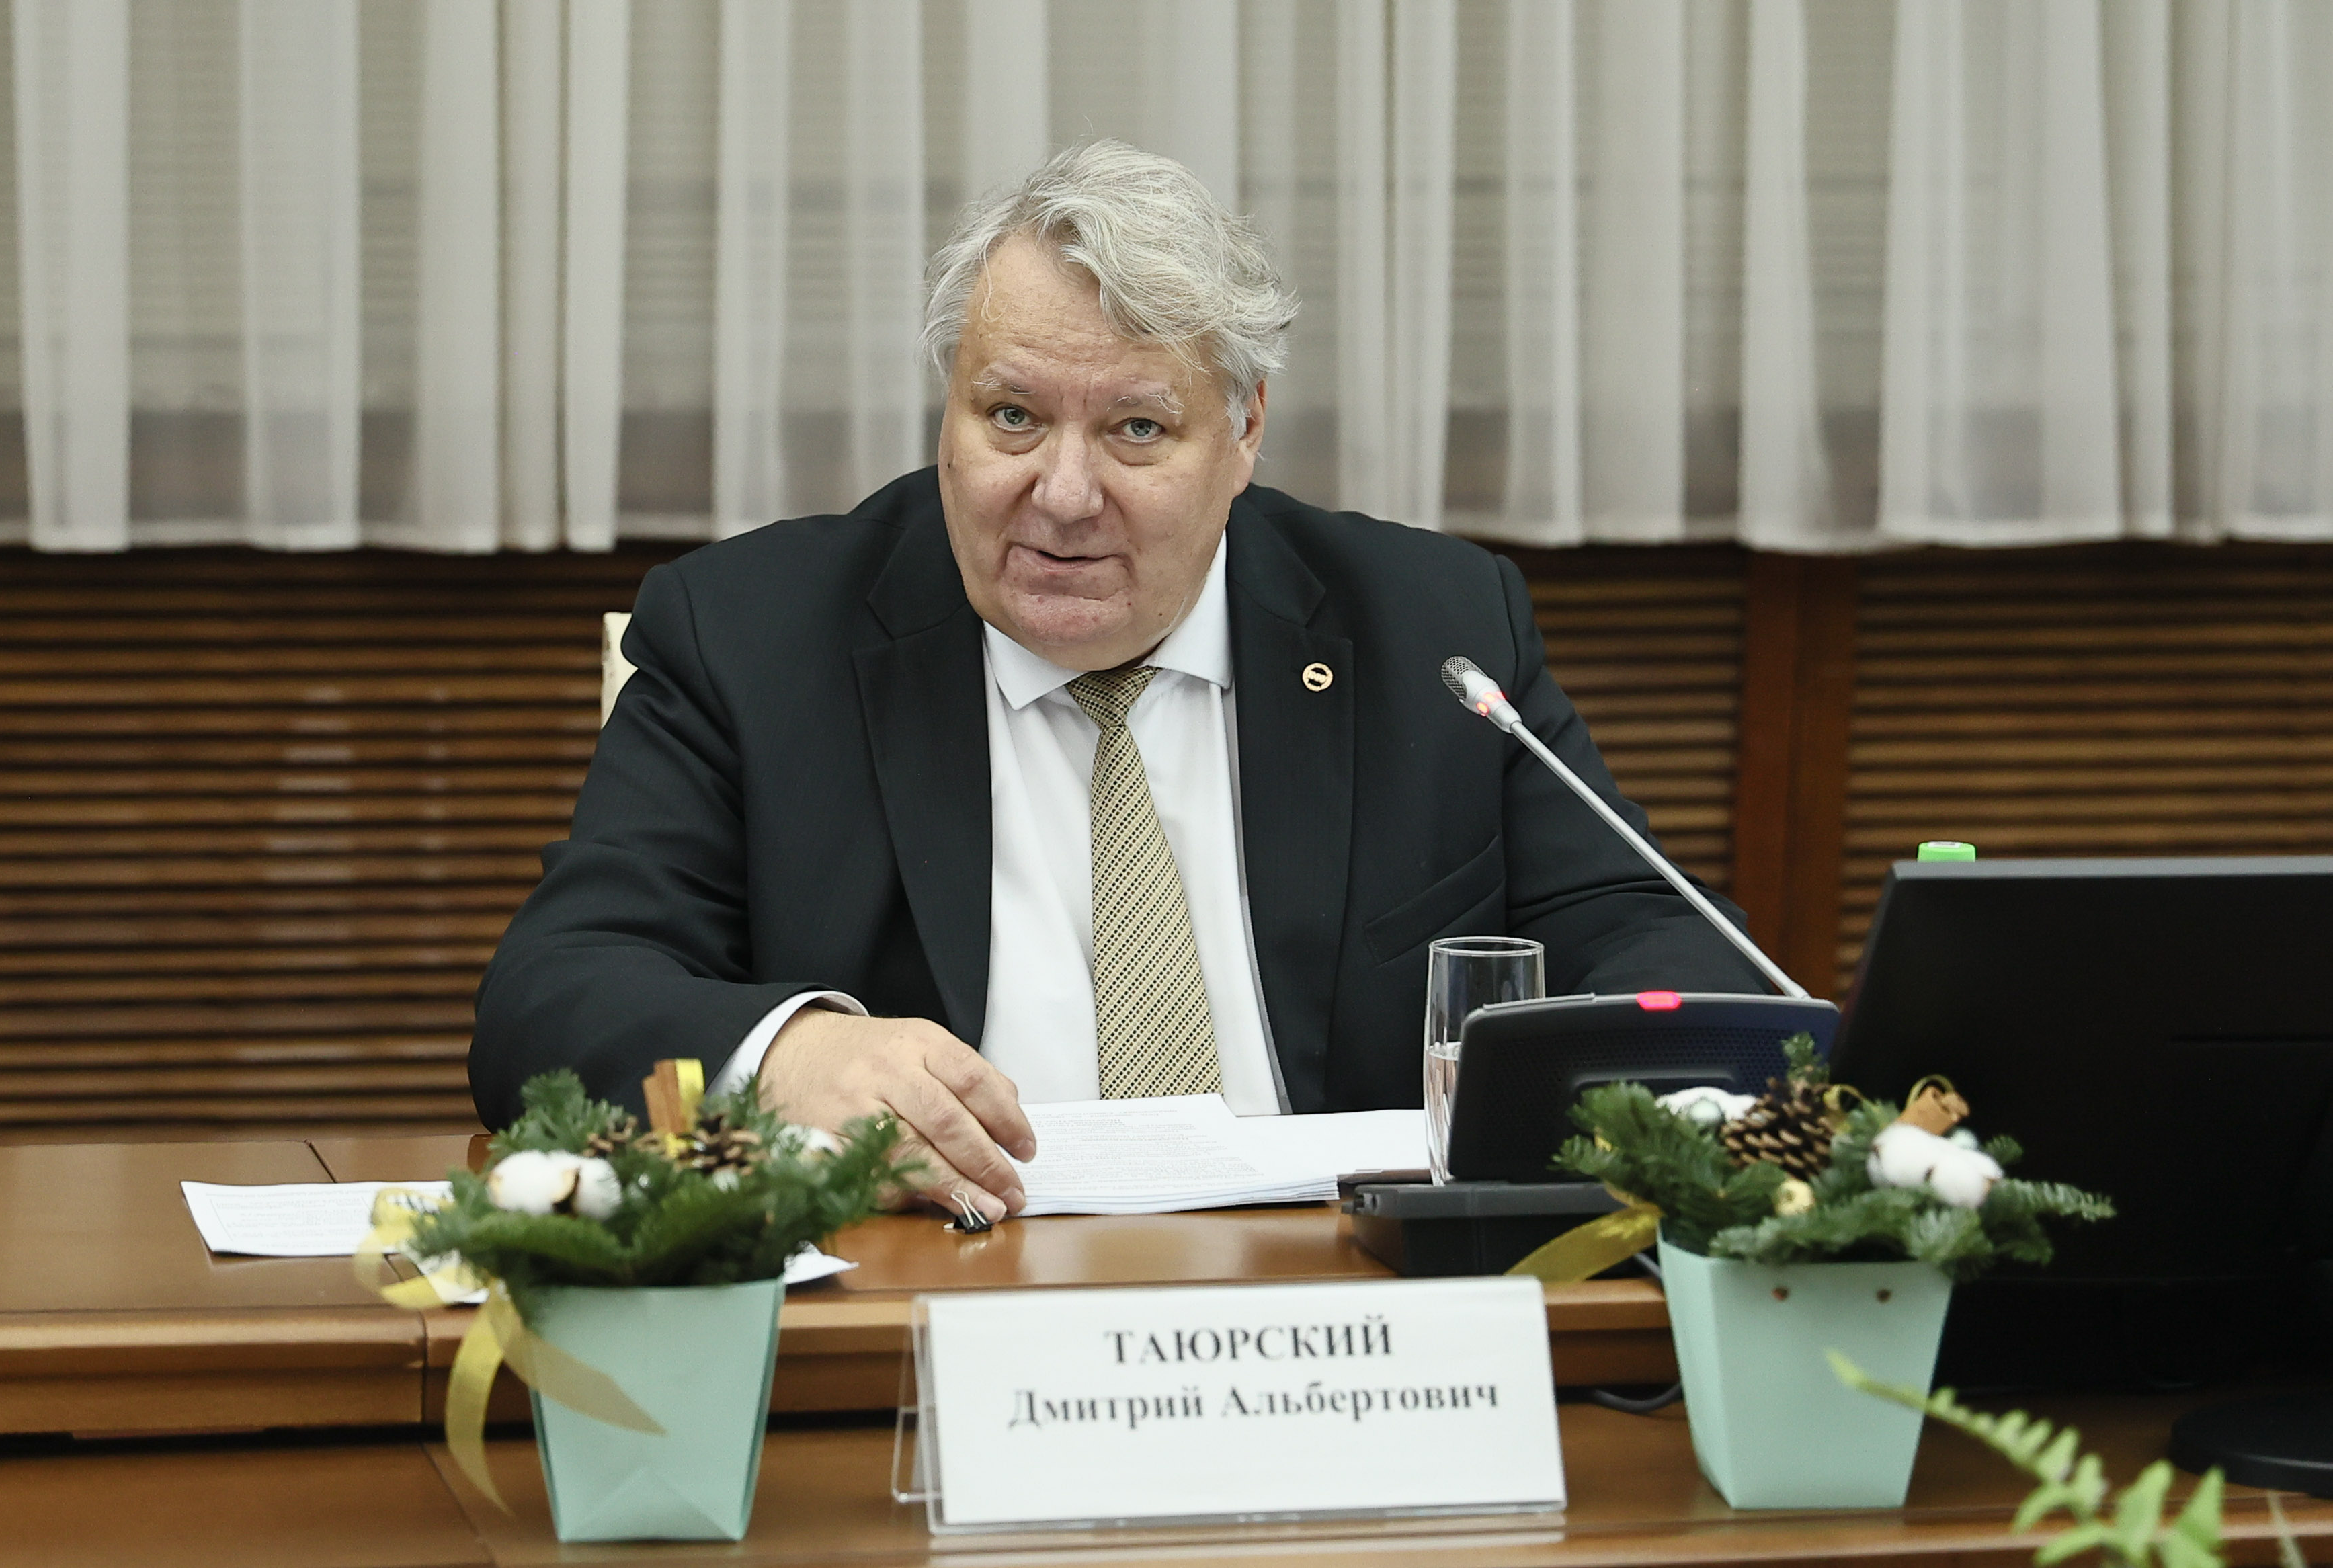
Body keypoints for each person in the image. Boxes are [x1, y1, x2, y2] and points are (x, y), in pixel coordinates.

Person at [470, 140, 1766, 1223]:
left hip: (1345, 1313)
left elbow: (1660, 946)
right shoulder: (752, 637)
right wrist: (789, 1055)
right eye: (1013, 418)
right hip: (933, 1307)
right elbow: (552, 995)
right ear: (948, 410)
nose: (1064, 493)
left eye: (1137, 428)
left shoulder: (1430, 631)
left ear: (1245, 431)